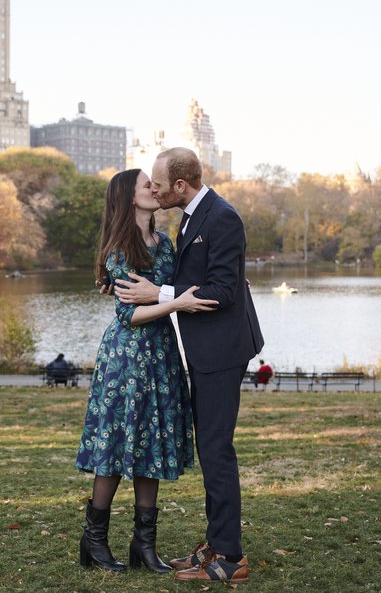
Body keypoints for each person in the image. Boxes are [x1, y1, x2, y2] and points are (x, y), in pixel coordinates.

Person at [115, 147, 264, 583]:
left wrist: (157, 294)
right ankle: (215, 544)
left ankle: (230, 560)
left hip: (222, 352)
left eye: (159, 185)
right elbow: (214, 272)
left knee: (217, 453)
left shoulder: (221, 216)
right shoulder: (194, 216)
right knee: (210, 450)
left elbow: (222, 290)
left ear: (181, 185)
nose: (155, 191)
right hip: (206, 351)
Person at [76, 168, 216, 574]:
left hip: (161, 353)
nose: (153, 189)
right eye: (145, 185)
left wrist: (179, 298)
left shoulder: (165, 243)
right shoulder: (119, 247)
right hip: (126, 357)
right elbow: (129, 314)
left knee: (149, 445)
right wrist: (174, 305)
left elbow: (178, 287)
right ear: (127, 197)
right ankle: (94, 542)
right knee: (119, 444)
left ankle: (144, 546)